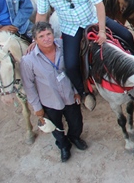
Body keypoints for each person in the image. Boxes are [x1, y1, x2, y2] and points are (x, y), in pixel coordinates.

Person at [36, 0, 134, 110]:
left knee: (127, 35)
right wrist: (37, 38)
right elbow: (41, 15)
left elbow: (99, 5)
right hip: (71, 28)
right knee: (70, 65)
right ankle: (83, 93)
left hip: (93, 19)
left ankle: (133, 68)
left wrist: (102, 31)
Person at [20, 22, 87, 163]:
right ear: (35, 39)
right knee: (57, 128)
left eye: (49, 34)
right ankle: (63, 146)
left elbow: (75, 69)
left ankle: (74, 137)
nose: (46, 38)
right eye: (41, 36)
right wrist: (37, 108)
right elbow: (29, 86)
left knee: (77, 122)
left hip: (70, 95)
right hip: (50, 100)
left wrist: (76, 90)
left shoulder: (64, 46)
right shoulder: (28, 60)